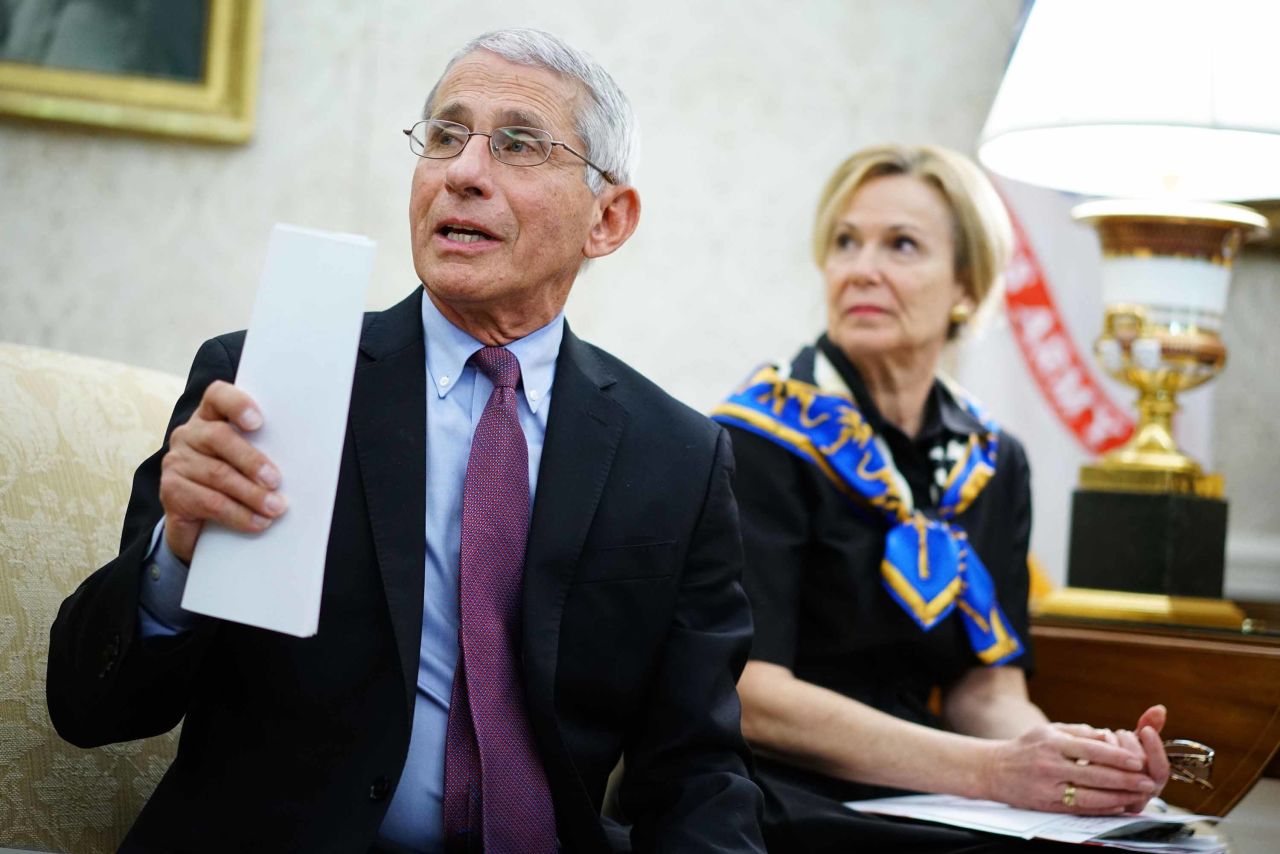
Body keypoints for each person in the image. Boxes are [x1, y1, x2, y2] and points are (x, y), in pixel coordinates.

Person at [47, 28, 764, 854]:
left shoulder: (676, 457)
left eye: (519, 144)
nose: (463, 171)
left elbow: (698, 771)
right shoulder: (272, 383)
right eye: (445, 136)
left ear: (608, 218)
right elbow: (89, 707)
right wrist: (175, 555)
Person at [711, 144, 1170, 852]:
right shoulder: (756, 437)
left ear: (965, 285)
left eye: (901, 245)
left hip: (927, 787)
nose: (862, 267)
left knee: (1152, 844)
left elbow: (983, 692)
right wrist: (989, 771)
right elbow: (752, 697)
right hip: (768, 788)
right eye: (845, 242)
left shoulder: (995, 460)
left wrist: (1076, 764)